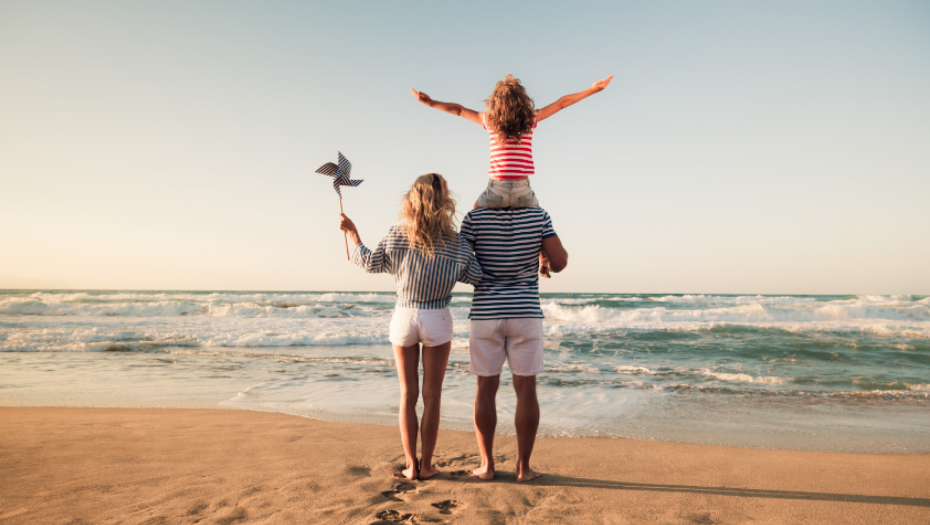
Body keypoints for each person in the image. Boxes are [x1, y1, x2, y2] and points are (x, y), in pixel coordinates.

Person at [339, 173, 483, 481]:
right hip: (438, 319)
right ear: (445, 202)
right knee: (432, 396)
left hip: (404, 317)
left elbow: (371, 263)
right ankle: (427, 465)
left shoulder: (397, 234)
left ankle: (410, 466)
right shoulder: (456, 242)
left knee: (408, 395)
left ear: (412, 200)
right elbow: (477, 276)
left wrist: (353, 234)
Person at [410, 73, 610, 276]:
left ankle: (466, 262)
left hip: (496, 189)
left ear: (494, 102)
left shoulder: (489, 120)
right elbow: (561, 104)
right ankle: (543, 259)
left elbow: (460, 110)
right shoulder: (530, 119)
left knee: (473, 215)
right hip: (523, 190)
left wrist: (431, 103)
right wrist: (592, 90)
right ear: (523, 101)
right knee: (540, 224)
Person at [459, 205, 568, 482]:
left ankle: (486, 466)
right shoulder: (538, 216)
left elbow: (461, 263)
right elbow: (561, 262)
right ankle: (523, 468)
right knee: (526, 389)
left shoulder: (474, 217)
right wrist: (543, 257)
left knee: (485, 387)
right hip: (524, 313)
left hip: (485, 313)